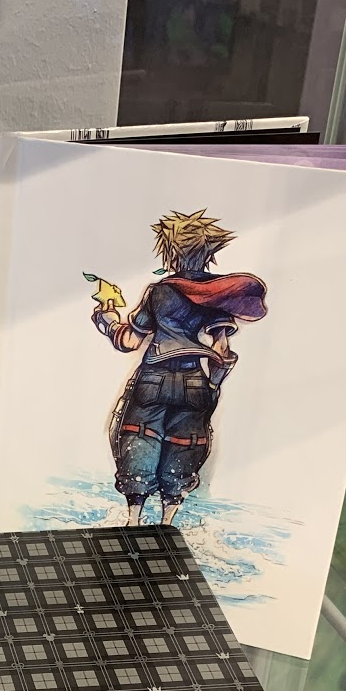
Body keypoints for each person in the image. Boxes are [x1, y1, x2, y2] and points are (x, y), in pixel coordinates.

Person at [91, 210, 267, 526]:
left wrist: (108, 322)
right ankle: (167, 521)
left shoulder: (159, 291)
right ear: (208, 253)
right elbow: (222, 350)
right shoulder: (216, 295)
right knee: (185, 444)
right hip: (195, 382)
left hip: (153, 378)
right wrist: (212, 384)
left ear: (171, 252)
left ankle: (133, 519)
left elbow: (129, 341)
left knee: (139, 437)